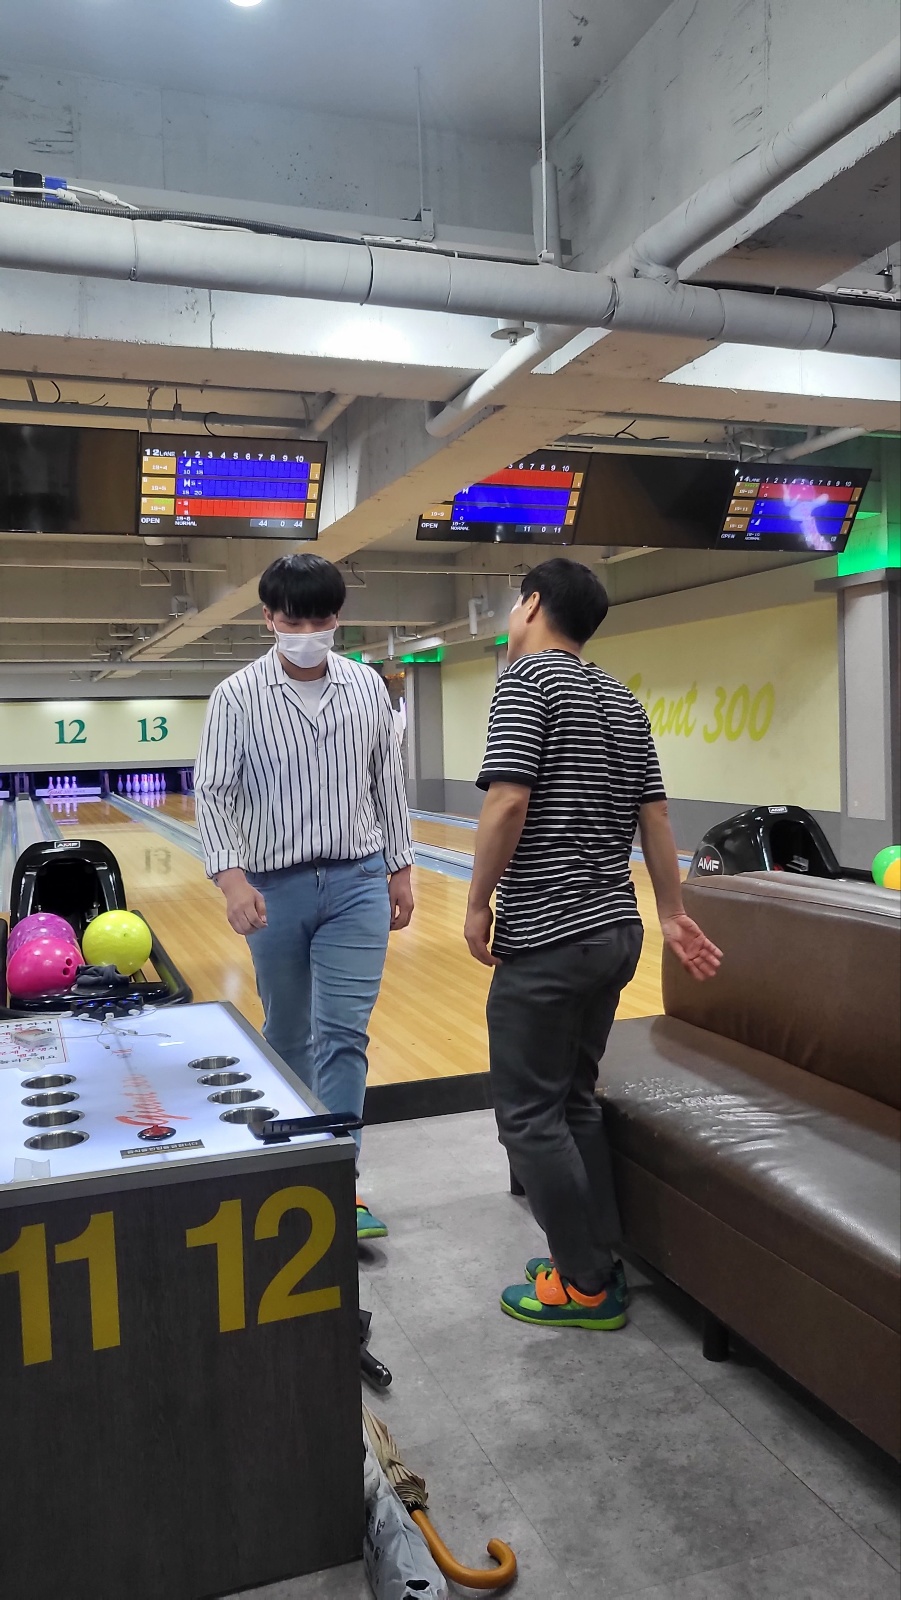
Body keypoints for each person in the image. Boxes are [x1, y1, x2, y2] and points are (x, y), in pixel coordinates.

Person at [464, 559, 721, 1330]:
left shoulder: (525, 681)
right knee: (571, 1097)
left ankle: (581, 1283)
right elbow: (657, 817)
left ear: (531, 604)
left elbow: (508, 801)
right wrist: (671, 912)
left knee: (527, 1116)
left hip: (549, 937)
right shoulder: (619, 695)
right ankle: (596, 1256)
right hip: (615, 933)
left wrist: (477, 902)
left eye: (515, 602)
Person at [195, 553, 415, 1241]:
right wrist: (231, 879)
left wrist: (401, 868)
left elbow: (386, 779)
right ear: (268, 618)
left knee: (344, 1035)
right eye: (293, 621)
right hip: (274, 888)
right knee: (289, 1033)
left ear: (337, 618)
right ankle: (291, 1170)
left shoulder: (366, 687)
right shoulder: (236, 696)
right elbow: (213, 793)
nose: (307, 633)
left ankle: (340, 1183)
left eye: (319, 620)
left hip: (357, 881)